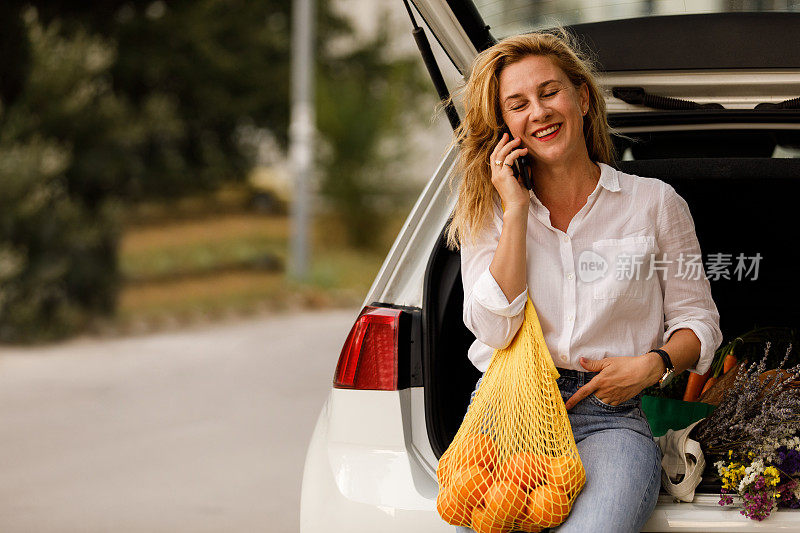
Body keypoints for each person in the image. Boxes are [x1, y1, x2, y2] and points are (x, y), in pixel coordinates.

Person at [444, 29, 723, 533]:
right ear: (505, 125)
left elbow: (698, 322)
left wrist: (651, 365)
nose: (539, 112)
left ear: (583, 98)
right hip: (510, 414)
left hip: (612, 416)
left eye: (550, 92)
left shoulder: (655, 203)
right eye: (518, 103)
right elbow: (492, 328)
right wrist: (515, 211)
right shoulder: (492, 213)